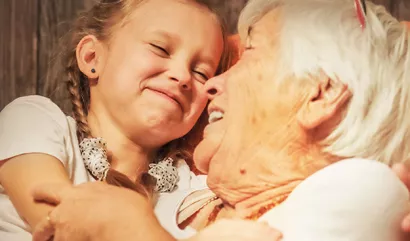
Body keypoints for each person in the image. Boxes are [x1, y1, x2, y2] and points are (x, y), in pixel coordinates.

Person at [31, 0, 410, 240]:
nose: (211, 84)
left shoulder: (364, 191)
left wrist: (128, 229)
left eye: (249, 54)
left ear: (321, 94)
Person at [0, 0, 276, 240]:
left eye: (201, 73)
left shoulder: (192, 190)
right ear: (91, 57)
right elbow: (63, 225)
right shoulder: (32, 121)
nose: (181, 76)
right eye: (160, 48)